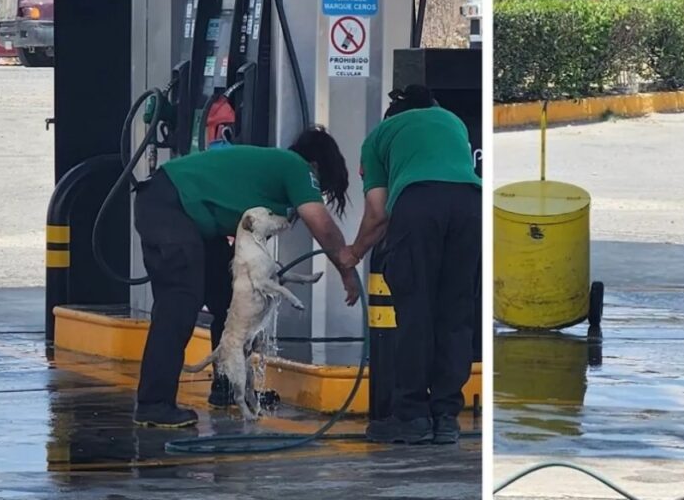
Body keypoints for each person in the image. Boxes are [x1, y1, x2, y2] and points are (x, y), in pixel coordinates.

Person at [132, 127, 361, 428]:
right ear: (317, 167)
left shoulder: (273, 168)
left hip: (187, 214)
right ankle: (154, 403)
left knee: (228, 300)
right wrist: (347, 269)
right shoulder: (297, 167)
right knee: (179, 303)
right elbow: (321, 224)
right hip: (171, 207)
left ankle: (227, 386)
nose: (317, 192)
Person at [346, 85, 481, 445]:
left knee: (414, 311)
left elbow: (377, 213)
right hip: (471, 205)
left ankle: (411, 416)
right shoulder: (453, 122)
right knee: (455, 313)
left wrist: (354, 252)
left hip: (419, 204)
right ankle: (446, 417)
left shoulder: (379, 137)